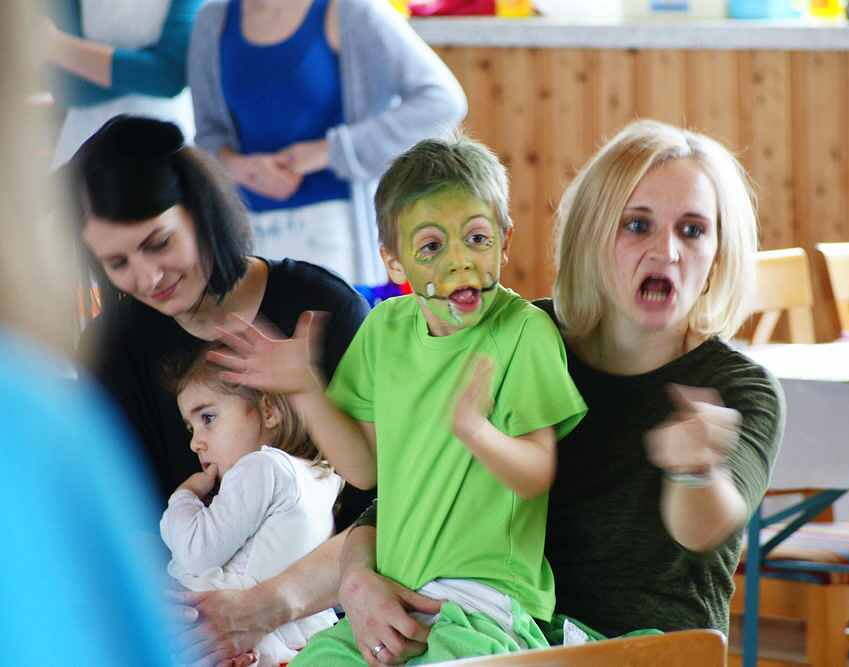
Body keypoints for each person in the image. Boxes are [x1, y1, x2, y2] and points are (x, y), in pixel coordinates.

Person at [172, 120, 782, 665]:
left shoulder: (735, 387)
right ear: (593, 234)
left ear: (719, 252)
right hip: (465, 629)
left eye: (693, 230)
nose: (667, 250)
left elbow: (705, 528)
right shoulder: (511, 333)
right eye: (637, 224)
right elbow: (398, 498)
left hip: (633, 652)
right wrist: (355, 580)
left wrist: (695, 469)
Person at [207, 134, 587, 665]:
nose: (459, 262)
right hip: (386, 596)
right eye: (431, 247)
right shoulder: (384, 328)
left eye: (477, 238)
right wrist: (305, 389)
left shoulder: (523, 332)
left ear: (504, 241)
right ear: (395, 263)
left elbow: (535, 472)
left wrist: (478, 433)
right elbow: (364, 469)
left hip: (483, 604)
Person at [67, 114, 371, 531]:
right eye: (118, 263)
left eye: (160, 243)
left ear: (201, 214)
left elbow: (379, 489)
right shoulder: (112, 347)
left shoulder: (324, 306)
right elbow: (123, 511)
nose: (149, 278)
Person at [2, 2, 178, 662]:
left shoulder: (40, 416)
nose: (146, 276)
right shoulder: (39, 419)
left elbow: (167, 70)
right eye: (119, 261)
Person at [187, 0, 467, 286]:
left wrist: (329, 151)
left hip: (335, 232)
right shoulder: (211, 20)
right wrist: (238, 167)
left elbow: (443, 102)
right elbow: (208, 134)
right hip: (243, 235)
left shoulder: (352, 10)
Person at [160, 346, 343, 666]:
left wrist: (183, 497)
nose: (195, 442)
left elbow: (196, 552)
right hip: (287, 638)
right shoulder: (318, 477)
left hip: (222, 629)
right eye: (191, 428)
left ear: (268, 411)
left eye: (208, 418)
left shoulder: (261, 466)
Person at [44, 0, 201, 165]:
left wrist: (62, 48)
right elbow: (67, 87)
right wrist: (149, 68)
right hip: (84, 138)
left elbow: (170, 76)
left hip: (164, 137)